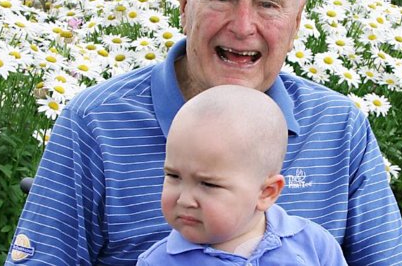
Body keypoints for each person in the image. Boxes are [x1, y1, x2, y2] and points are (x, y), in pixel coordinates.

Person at [6, 0, 402, 265]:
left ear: (296, 21)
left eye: (268, 4)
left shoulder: (339, 127)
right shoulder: (95, 124)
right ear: (184, 5)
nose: (243, 26)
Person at [136, 85, 348, 265]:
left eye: (208, 184)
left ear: (266, 192)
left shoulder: (313, 245)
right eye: (174, 176)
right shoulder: (159, 261)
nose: (185, 199)